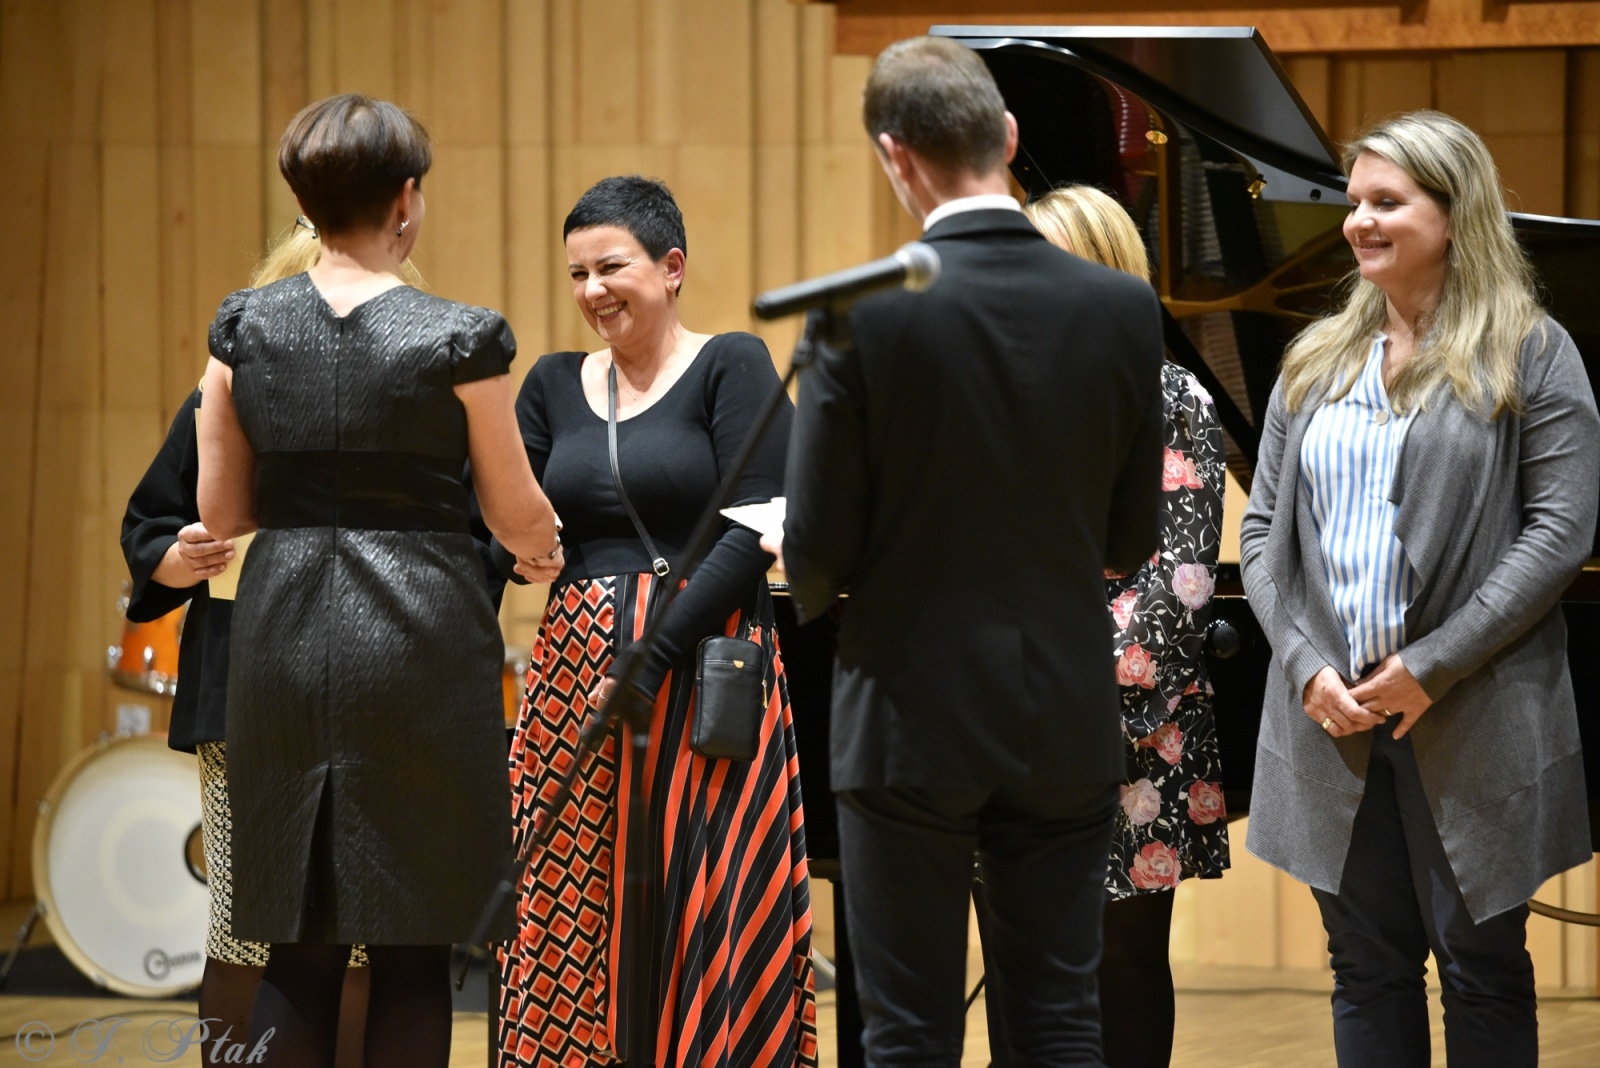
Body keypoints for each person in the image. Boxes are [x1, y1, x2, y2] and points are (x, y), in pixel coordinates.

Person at [772, 37, 1165, 1067]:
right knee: (1058, 1023)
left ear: (894, 157)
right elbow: (1129, 539)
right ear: (1010, 138)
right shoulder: (1122, 308)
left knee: (906, 1031)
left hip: (907, 720)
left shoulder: (858, 314)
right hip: (1063, 717)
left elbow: (811, 565)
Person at [197, 93, 564, 1068]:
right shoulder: (460, 337)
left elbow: (223, 511)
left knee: (296, 940)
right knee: (412, 943)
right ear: (408, 199)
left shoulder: (241, 331)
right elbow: (513, 510)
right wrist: (542, 549)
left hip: (280, 639)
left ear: (307, 201)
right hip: (420, 642)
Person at [1239, 109, 1598, 1067]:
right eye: (1355, 202)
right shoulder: (1312, 362)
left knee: (1480, 965)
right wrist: (1307, 666)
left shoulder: (1532, 349)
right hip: (1329, 718)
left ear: (1454, 211)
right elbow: (1263, 531)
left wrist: (1429, 667)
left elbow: (1560, 533)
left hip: (1470, 708)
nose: (1358, 220)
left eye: (1386, 202)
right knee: (1365, 965)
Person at [493, 175, 816, 1068]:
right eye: (576, 274)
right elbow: (505, 530)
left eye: (612, 267)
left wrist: (653, 655)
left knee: (702, 902)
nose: (592, 290)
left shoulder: (732, 364)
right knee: (568, 906)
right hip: (572, 679)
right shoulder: (553, 385)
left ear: (671, 267)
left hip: (700, 666)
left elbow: (759, 531)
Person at [976, 185, 1228, 1068]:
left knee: (1121, 959)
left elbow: (1182, 581)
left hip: (1133, 728)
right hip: (1002, 724)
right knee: (1015, 962)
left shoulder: (1174, 398)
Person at [122, 220, 380, 1066]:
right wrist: (176, 552)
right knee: (244, 924)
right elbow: (151, 525)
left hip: (371, 687)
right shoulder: (219, 398)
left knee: (364, 933)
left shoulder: (404, 397)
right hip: (246, 685)